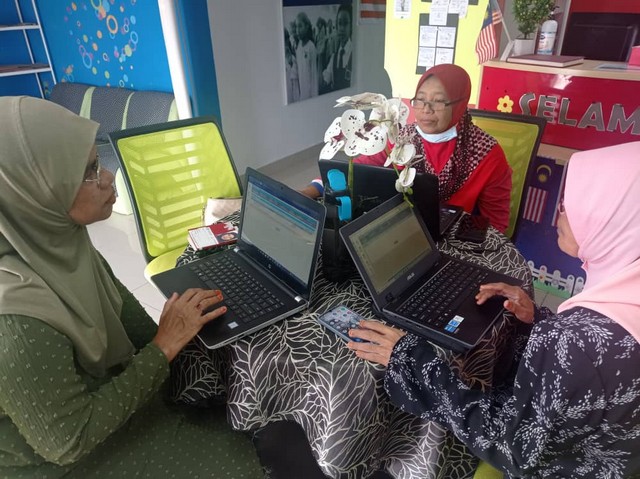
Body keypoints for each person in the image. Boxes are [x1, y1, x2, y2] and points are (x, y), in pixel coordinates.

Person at [0, 96, 263, 478]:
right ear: (31, 192)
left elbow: (136, 330)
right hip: (65, 460)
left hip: (110, 395)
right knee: (243, 461)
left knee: (234, 406)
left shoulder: (60, 247)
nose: (108, 177)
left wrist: (194, 330)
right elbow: (68, 442)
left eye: (97, 162)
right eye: (90, 171)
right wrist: (164, 348)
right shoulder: (15, 320)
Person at [346, 142, 640, 478]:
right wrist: (537, 319)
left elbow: (510, 446)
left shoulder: (571, 343)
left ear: (613, 221)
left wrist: (409, 358)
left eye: (570, 206)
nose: (558, 215)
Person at [303, 64, 512, 233]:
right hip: (403, 228)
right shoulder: (400, 136)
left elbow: (495, 224)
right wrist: (312, 190)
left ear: (460, 104)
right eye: (420, 100)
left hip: (455, 237)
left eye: (439, 101)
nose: (426, 110)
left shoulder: (486, 153)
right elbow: (359, 168)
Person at [321, 4, 353, 92]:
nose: (342, 28)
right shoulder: (334, 57)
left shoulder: (354, 54)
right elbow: (324, 81)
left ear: (351, 26)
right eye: (339, 23)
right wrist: (320, 55)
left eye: (345, 23)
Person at [295, 12, 319, 101]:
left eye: (300, 26)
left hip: (310, 95)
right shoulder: (298, 47)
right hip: (302, 94)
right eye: (296, 26)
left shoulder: (311, 47)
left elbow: (314, 75)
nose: (297, 30)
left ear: (307, 26)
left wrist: (314, 97)